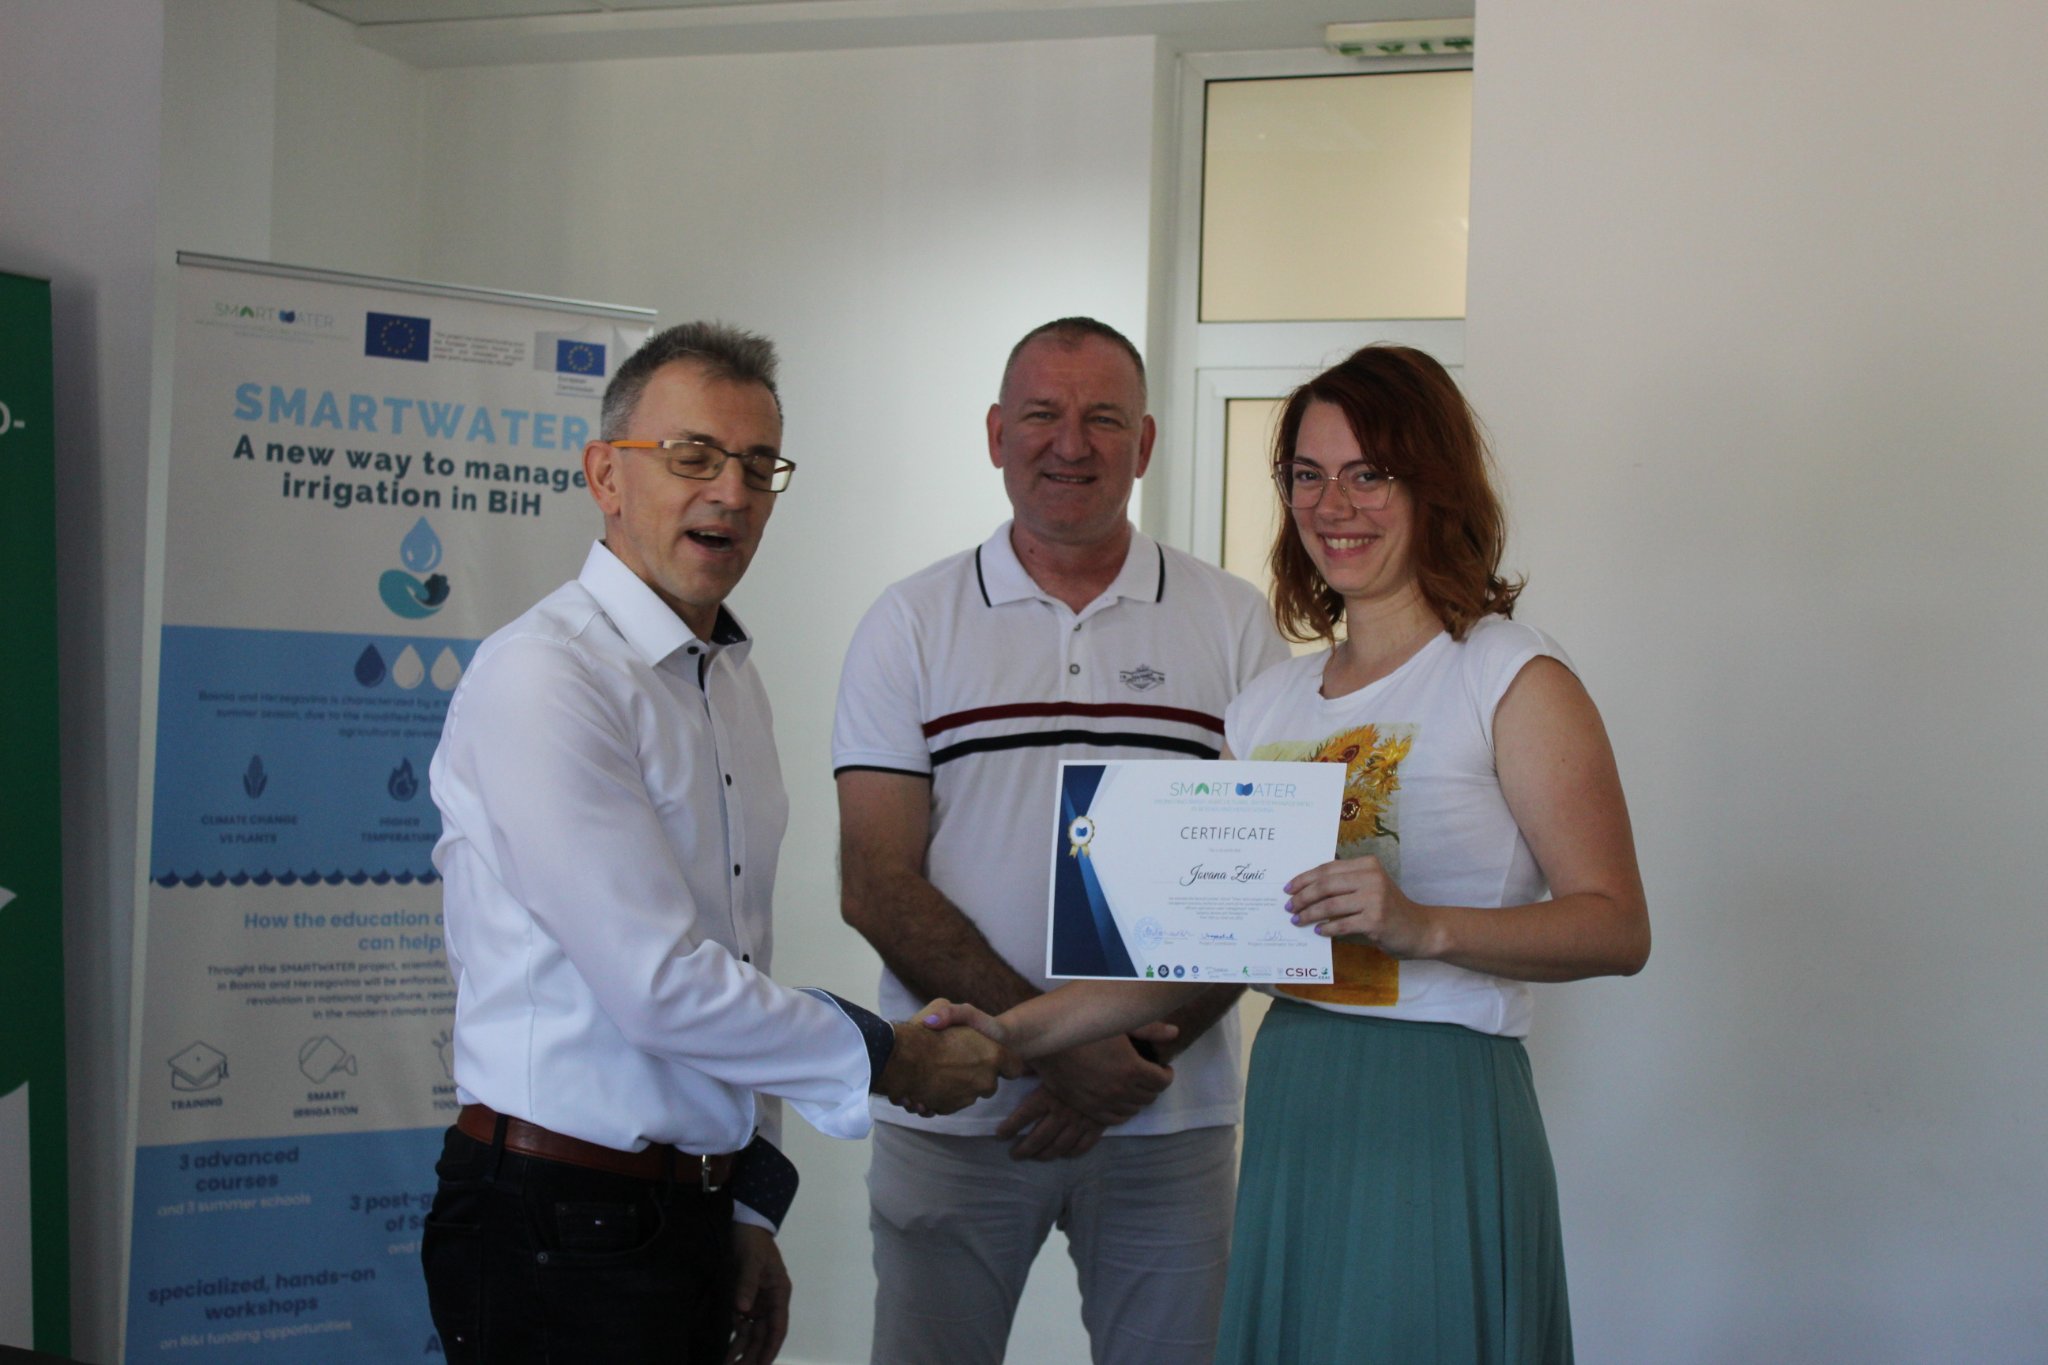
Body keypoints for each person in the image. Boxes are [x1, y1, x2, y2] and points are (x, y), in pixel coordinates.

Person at [928, 343, 1651, 1364]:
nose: (1332, 505)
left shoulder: (1507, 674)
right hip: (1298, 1089)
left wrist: (1424, 928)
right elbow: (1183, 956)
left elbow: (1616, 926)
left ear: (1434, 484)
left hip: (1438, 1098)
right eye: (1308, 475)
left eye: (1369, 473)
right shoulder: (1266, 705)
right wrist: (1004, 1035)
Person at [422, 321, 1014, 1365]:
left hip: (682, 1211)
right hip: (556, 1224)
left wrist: (748, 1205)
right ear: (605, 475)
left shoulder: (725, 679)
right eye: (692, 456)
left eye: (757, 464)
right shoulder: (547, 678)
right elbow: (660, 985)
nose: (731, 493)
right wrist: (889, 1056)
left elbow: (739, 957)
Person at [833, 317, 1290, 1365]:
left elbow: (1258, 881)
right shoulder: (910, 622)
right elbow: (875, 881)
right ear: (997, 433)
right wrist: (1057, 1052)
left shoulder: (1233, 624)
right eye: (1042, 414)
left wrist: (1127, 1059)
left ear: (1146, 443)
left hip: (1165, 1114)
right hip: (953, 1104)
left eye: (1103, 419)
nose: (1070, 444)